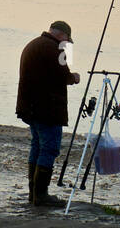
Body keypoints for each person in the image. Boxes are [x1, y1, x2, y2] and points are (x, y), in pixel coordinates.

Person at [16, 20, 80, 207]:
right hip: (46, 109)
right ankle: (41, 195)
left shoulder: (34, 44)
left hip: (30, 107)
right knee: (49, 149)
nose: (68, 44)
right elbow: (63, 76)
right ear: (62, 35)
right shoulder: (56, 49)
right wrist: (74, 77)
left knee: (37, 146)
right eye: (68, 40)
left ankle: (33, 193)